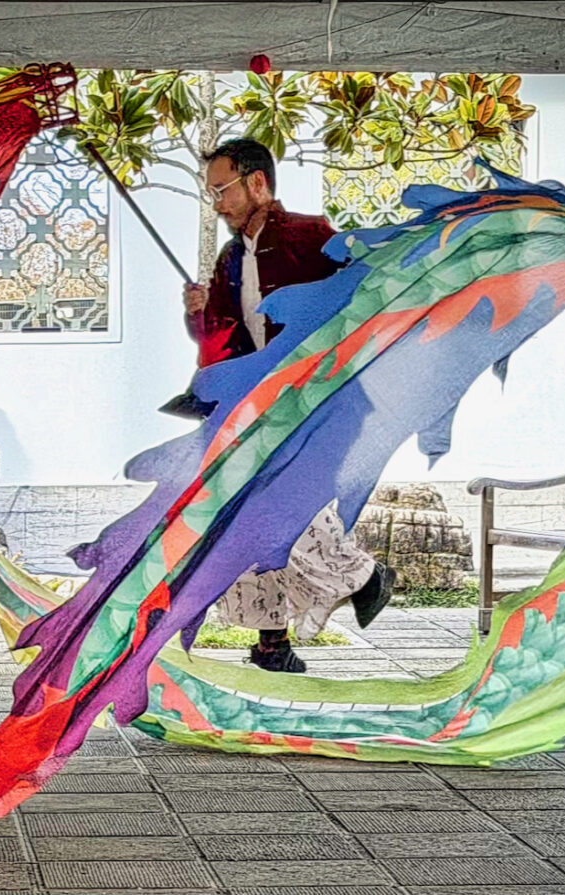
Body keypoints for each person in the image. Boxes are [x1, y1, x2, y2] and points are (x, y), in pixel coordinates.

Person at [182, 139, 392, 673]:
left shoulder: (310, 236)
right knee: (245, 512)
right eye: (212, 194)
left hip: (317, 400)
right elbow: (225, 343)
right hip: (260, 405)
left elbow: (357, 305)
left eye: (222, 190)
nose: (217, 204)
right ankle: (272, 641)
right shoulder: (232, 258)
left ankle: (364, 578)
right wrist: (201, 314)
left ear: (257, 183)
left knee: (283, 507)